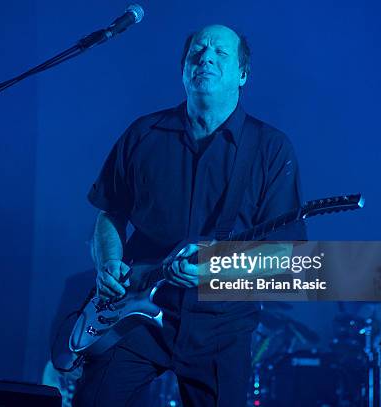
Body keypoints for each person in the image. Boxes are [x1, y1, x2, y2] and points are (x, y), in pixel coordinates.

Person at [72, 24, 307, 406]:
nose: (206, 57)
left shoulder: (271, 148)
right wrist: (109, 263)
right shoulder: (143, 134)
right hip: (134, 312)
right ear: (184, 68)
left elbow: (284, 253)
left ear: (243, 74)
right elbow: (109, 214)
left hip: (220, 323)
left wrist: (213, 271)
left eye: (220, 53)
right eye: (197, 51)